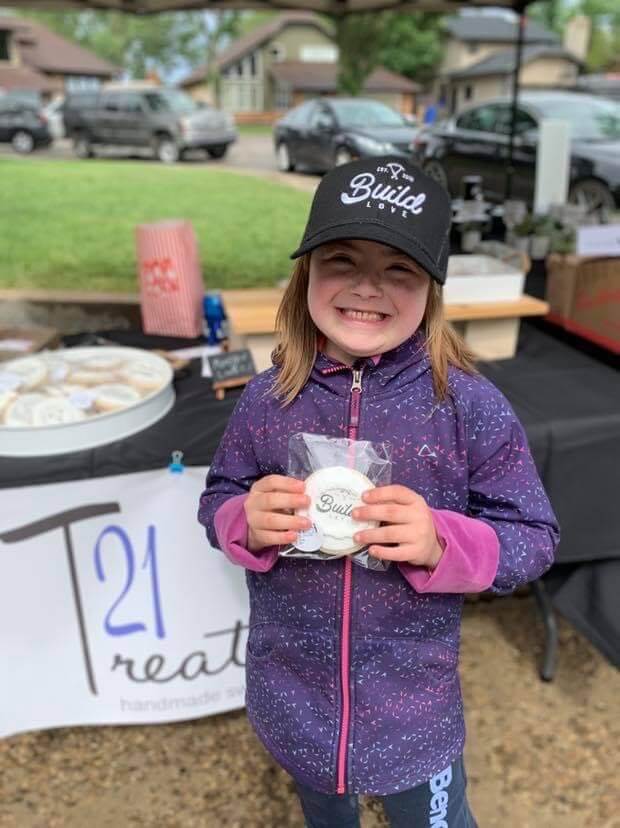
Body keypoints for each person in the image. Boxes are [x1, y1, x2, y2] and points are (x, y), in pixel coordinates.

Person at [198, 156, 559, 827]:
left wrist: (442, 541)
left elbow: (533, 537)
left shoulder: (467, 406)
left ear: (431, 289)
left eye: (400, 268)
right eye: (342, 259)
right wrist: (240, 520)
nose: (369, 287)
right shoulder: (267, 399)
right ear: (306, 272)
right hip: (295, 705)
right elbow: (218, 494)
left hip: (413, 717)